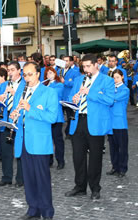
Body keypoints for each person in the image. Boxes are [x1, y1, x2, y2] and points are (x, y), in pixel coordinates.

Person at [9, 62, 58, 220]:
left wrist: (30, 108)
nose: (26, 78)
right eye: (24, 75)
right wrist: (13, 115)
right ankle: (33, 209)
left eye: (30, 74)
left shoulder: (49, 92)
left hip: (39, 142)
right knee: (28, 178)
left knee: (42, 178)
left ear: (38, 74)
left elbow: (52, 117)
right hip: (23, 140)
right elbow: (14, 114)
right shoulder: (20, 92)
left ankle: (47, 211)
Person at [65, 54, 114, 200]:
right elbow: (70, 98)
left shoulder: (107, 80)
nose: (85, 69)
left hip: (96, 123)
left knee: (95, 157)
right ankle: (80, 186)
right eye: (83, 66)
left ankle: (95, 188)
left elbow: (110, 100)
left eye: (88, 66)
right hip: (78, 121)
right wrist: (73, 99)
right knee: (78, 157)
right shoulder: (79, 80)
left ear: (96, 65)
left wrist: (90, 93)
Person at [0, 68, 24, 187]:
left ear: (19, 71)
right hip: (6, 118)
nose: (10, 72)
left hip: (19, 119)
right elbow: (1, 100)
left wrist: (14, 94)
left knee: (20, 150)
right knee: (5, 151)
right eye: (8, 70)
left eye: (12, 70)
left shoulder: (25, 83)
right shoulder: (4, 84)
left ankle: (21, 178)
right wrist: (1, 99)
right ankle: (6, 177)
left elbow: (26, 101)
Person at [106, 69, 129, 178]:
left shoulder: (125, 89)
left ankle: (123, 168)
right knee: (113, 147)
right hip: (110, 121)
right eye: (114, 78)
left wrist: (105, 95)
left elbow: (113, 98)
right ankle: (115, 166)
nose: (115, 80)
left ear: (122, 77)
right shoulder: (111, 89)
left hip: (120, 122)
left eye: (117, 77)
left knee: (122, 147)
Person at [44, 67, 65, 170]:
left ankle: (60, 160)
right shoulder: (44, 85)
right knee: (47, 139)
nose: (49, 75)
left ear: (55, 74)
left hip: (57, 116)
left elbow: (54, 94)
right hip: (45, 116)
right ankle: (49, 160)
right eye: (47, 74)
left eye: (51, 73)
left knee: (57, 139)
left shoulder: (59, 85)